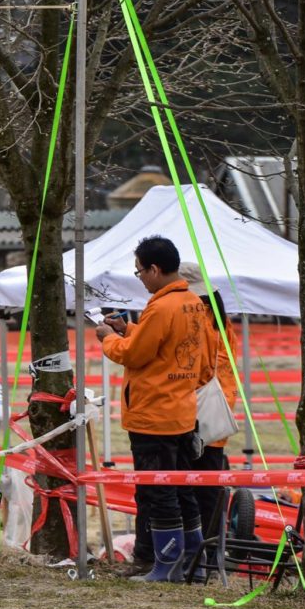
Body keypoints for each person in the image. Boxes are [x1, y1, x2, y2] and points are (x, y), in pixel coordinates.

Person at [96, 236, 206, 583]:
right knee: (183, 488)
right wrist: (128, 328)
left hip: (154, 414)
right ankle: (193, 563)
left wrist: (108, 338)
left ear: (155, 269)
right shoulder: (192, 302)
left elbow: (134, 355)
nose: (140, 278)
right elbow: (163, 345)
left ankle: (167, 566)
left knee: (158, 491)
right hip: (181, 411)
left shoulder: (161, 307)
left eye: (140, 271)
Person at [178, 263, 238, 552]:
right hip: (217, 416)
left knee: (189, 487)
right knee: (209, 487)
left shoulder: (196, 318)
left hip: (194, 416)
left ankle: (196, 551)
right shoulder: (222, 322)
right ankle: (212, 550)